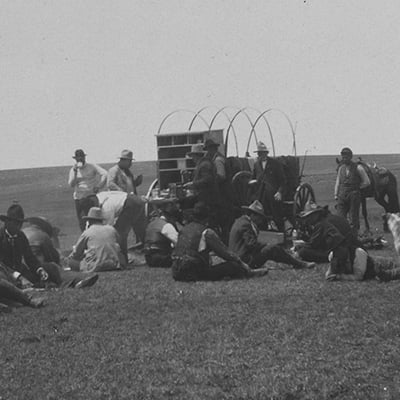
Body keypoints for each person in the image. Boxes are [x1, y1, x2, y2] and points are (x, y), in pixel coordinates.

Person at [0, 204, 99, 289]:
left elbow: (30, 258)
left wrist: (39, 269)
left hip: (21, 272)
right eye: (16, 223)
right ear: (7, 222)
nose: (18, 226)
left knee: (49, 267)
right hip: (6, 275)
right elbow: (2, 265)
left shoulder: (21, 236)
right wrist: (18, 276)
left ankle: (77, 280)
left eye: (20, 223)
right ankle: (67, 283)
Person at [171, 202, 269, 281]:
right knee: (233, 266)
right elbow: (225, 253)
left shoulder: (184, 229)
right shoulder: (207, 232)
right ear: (207, 218)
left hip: (176, 271)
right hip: (193, 272)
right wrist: (241, 263)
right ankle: (249, 273)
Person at [229, 200, 315, 269]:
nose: (260, 221)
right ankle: (298, 263)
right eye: (259, 217)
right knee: (272, 248)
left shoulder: (241, 221)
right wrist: (266, 244)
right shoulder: (245, 225)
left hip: (240, 258)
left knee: (271, 248)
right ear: (253, 215)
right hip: (244, 261)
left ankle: (292, 260)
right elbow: (251, 244)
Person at [79, 190, 147, 263]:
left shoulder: (106, 208)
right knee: (142, 231)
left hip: (130, 204)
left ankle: (123, 260)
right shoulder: (100, 196)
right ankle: (150, 251)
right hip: (135, 200)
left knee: (120, 233)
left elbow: (108, 230)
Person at [296, 201, 361, 263]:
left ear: (317, 214)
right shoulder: (328, 219)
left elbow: (314, 244)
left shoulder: (321, 224)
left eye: (310, 216)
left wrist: (300, 246)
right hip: (347, 246)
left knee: (303, 252)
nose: (308, 219)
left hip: (338, 251)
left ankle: (330, 258)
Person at [69, 207, 126, 272]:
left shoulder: (87, 232)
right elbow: (120, 243)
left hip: (96, 266)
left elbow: (76, 253)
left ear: (89, 221)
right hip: (115, 264)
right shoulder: (112, 229)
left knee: (71, 262)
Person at [68, 149, 107, 232]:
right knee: (82, 221)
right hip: (79, 198)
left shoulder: (91, 166)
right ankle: (85, 238)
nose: (80, 160)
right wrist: (75, 173)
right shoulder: (73, 170)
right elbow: (71, 184)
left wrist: (99, 186)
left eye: (81, 158)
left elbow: (104, 173)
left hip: (91, 196)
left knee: (95, 218)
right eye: (78, 159)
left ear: (84, 158)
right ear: (75, 159)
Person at [250, 141, 286, 231]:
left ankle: (282, 236)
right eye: (258, 153)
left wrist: (279, 192)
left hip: (273, 196)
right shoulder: (256, 164)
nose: (259, 155)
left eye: (261, 153)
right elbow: (253, 177)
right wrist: (252, 182)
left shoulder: (275, 164)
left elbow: (283, 181)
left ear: (266, 153)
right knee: (261, 218)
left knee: (277, 217)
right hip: (260, 196)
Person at [184, 143, 221, 230]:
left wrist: (193, 184)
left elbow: (207, 180)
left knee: (188, 210)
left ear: (196, 156)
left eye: (193, 156)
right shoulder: (203, 164)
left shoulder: (204, 165)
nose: (192, 159)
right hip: (206, 198)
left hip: (207, 200)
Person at [334, 147, 370, 234]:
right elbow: (338, 182)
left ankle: (354, 237)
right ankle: (343, 237)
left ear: (350, 157)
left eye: (346, 157)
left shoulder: (358, 168)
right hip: (342, 195)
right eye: (343, 157)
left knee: (353, 217)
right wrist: (335, 194)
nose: (344, 159)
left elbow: (367, 182)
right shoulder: (341, 168)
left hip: (354, 195)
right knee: (340, 217)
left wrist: (358, 187)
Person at [204, 138, 234, 242]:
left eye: (208, 149)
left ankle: (224, 242)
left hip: (223, 194)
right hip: (226, 193)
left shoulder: (218, 160)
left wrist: (210, 182)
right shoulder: (220, 157)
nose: (208, 152)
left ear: (212, 149)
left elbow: (221, 176)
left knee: (222, 218)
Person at [326, 246, 400, 282]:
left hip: (378, 264)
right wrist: (332, 266)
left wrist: (340, 277)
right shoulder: (333, 255)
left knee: (392, 272)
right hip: (374, 269)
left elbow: (358, 277)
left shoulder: (358, 253)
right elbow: (328, 276)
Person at [144, 198, 180, 268]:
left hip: (148, 258)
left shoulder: (152, 223)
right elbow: (179, 242)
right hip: (160, 258)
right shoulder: (166, 225)